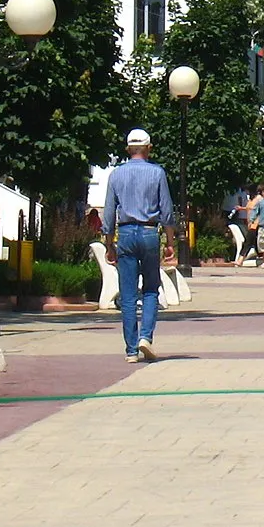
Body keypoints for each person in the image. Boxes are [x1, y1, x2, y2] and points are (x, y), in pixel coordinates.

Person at [102, 127, 175, 363]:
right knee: (152, 288)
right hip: (149, 232)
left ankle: (131, 350)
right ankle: (146, 336)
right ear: (148, 148)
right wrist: (170, 242)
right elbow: (167, 211)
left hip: (124, 233)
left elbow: (109, 213)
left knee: (128, 294)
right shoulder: (157, 173)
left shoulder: (116, 175)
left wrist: (109, 243)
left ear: (127, 149)